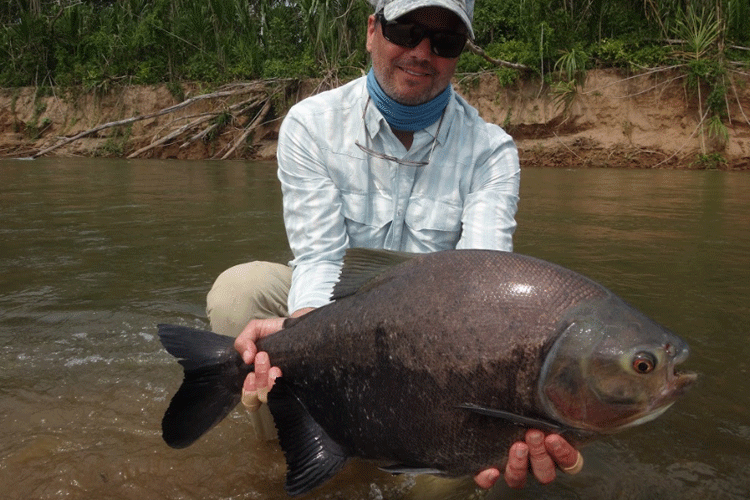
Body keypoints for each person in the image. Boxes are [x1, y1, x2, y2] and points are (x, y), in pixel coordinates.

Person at [206, 0, 583, 491]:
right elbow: (320, 257)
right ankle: (292, 440)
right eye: (405, 30)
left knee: (447, 477)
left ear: (459, 54)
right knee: (240, 291)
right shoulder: (310, 124)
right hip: (331, 311)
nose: (421, 51)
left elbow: (482, 287)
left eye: (445, 42)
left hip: (437, 337)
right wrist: (303, 332)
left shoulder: (492, 152)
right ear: (372, 31)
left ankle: (402, 448)